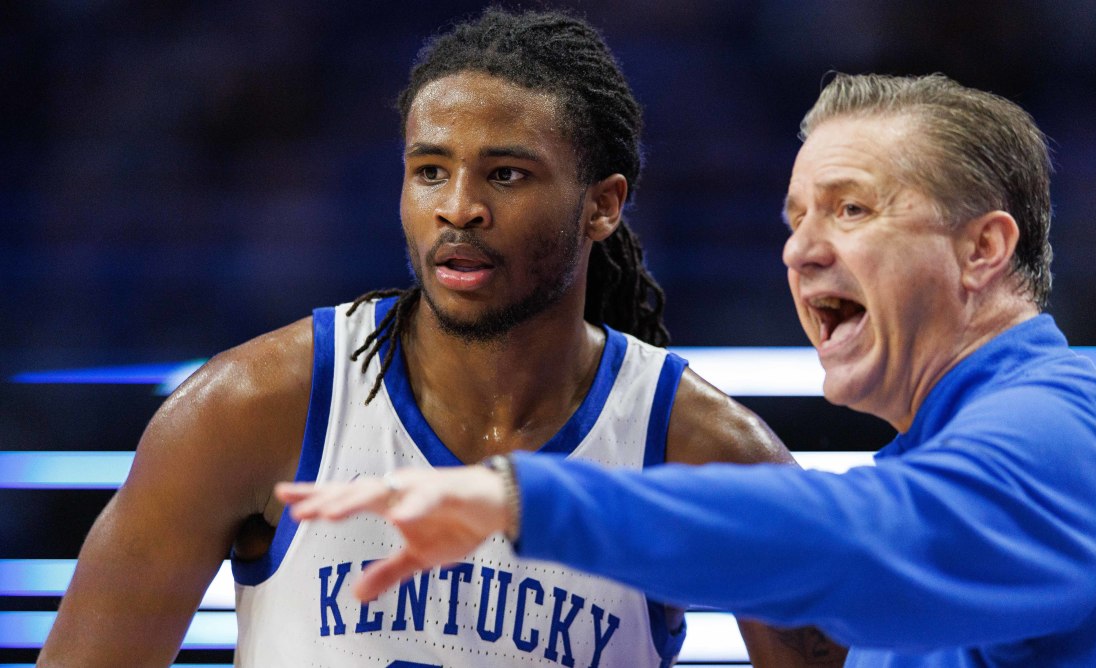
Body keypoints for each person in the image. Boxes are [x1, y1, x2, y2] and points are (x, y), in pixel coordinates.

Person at [278, 72, 1096, 666]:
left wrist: (532, 500)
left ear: (982, 250)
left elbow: (856, 540)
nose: (801, 251)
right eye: (795, 219)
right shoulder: (965, 464)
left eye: (851, 209)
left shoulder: (1063, 431)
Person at [37, 8, 846, 668]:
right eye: (430, 170)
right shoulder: (249, 409)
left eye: (505, 174)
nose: (458, 208)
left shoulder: (701, 451)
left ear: (602, 206)